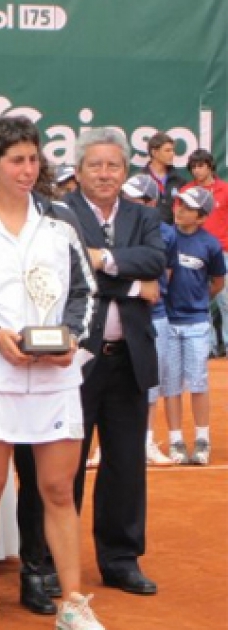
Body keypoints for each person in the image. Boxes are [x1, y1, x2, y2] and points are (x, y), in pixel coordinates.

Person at [0, 116, 103, 630]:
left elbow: (84, 293)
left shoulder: (62, 220)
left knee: (58, 490)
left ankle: (71, 601)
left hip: (56, 378)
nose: (28, 169)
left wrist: (71, 337)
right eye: (17, 160)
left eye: (34, 159)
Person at [64, 127, 166, 597]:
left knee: (126, 463)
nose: (105, 173)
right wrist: (130, 284)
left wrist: (103, 258)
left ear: (126, 171)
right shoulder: (61, 216)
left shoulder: (145, 216)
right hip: (74, 362)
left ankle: (121, 559)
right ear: (79, 170)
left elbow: (154, 262)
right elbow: (69, 274)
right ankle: (47, 561)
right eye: (95, 165)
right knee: (64, 464)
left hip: (129, 358)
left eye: (113, 166)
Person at [162, 187, 226, 465]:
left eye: (188, 208)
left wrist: (198, 301)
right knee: (171, 385)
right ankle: (176, 440)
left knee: (198, 382)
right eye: (179, 204)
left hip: (197, 323)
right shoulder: (166, 237)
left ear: (201, 217)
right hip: (168, 322)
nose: (180, 209)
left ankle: (202, 439)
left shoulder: (210, 245)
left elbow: (218, 282)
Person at [120, 174, 177, 467]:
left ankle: (147, 441)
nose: (128, 202)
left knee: (149, 385)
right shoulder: (115, 226)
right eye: (126, 197)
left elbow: (163, 274)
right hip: (121, 313)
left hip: (154, 317)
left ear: (151, 203)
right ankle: (106, 448)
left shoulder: (166, 234)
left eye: (135, 198)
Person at [180, 149, 228, 358]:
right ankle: (206, 347)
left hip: (223, 250)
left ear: (210, 166)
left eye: (201, 166)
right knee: (200, 300)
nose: (197, 170)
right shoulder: (186, 191)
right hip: (194, 252)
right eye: (193, 167)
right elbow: (178, 220)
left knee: (225, 300)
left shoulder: (225, 190)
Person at [141, 131, 186, 224]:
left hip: (173, 236)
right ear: (154, 152)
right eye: (167, 150)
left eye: (173, 150)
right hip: (147, 234)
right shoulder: (140, 180)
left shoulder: (180, 181)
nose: (172, 154)